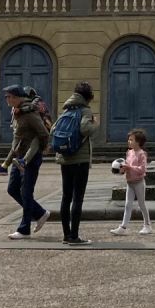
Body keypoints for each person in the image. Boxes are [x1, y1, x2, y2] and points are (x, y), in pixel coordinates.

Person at [0, 85, 51, 239]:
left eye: (8, 97)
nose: (6, 100)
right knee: (12, 189)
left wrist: (40, 150)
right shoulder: (16, 112)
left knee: (26, 191)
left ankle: (24, 229)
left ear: (16, 97)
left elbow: (43, 133)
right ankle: (40, 213)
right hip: (19, 156)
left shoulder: (29, 113)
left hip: (30, 157)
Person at [53, 81, 98, 245]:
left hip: (65, 159)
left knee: (66, 197)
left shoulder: (66, 110)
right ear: (89, 97)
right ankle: (74, 236)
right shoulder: (85, 110)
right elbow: (85, 129)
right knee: (78, 198)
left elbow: (53, 130)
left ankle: (66, 235)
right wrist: (94, 123)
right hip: (80, 160)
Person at [110, 128, 153, 236]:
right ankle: (123, 227)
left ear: (138, 142)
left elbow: (142, 169)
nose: (129, 141)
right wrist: (122, 170)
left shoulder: (142, 154)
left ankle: (147, 225)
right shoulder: (129, 152)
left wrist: (130, 167)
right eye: (129, 139)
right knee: (127, 205)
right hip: (130, 182)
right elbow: (127, 166)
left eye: (131, 140)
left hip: (139, 182)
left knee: (141, 204)